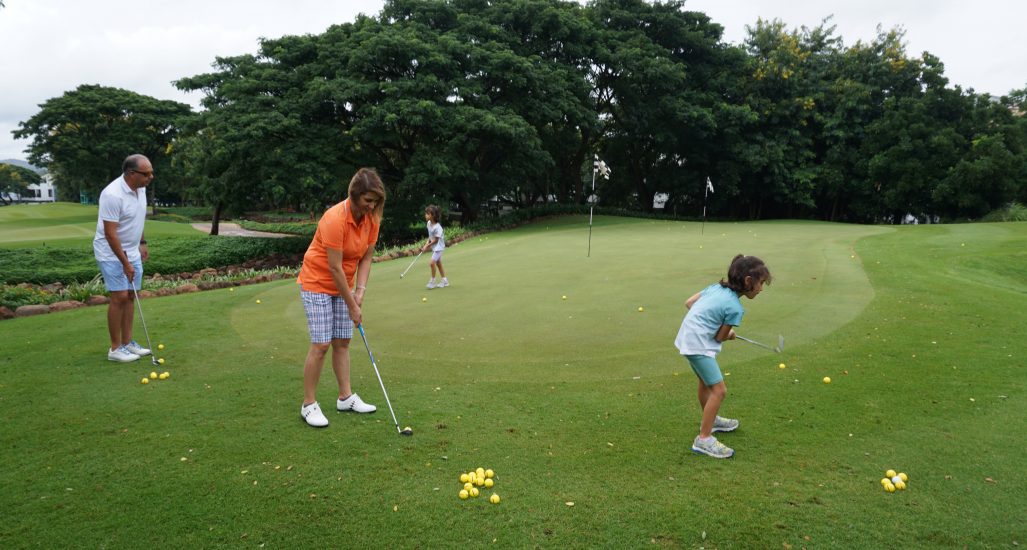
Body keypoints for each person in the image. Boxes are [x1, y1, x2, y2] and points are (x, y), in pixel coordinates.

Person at [296, 168, 386, 428]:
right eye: (368, 200)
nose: (371, 206)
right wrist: (352, 305)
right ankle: (308, 404)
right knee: (322, 344)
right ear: (355, 195)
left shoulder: (371, 220)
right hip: (317, 282)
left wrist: (360, 293)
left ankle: (345, 397)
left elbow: (366, 258)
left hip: (344, 285)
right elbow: (334, 267)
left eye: (375, 201)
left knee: (343, 341)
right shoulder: (334, 218)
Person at [674, 254, 772, 458]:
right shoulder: (735, 308)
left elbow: (689, 303)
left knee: (705, 383)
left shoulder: (716, 287)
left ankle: (712, 420)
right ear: (748, 281)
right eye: (761, 283)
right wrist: (729, 334)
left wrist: (707, 321)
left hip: (687, 338)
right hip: (698, 345)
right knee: (719, 391)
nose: (761, 288)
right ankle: (704, 439)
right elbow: (720, 337)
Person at [94, 154, 155, 362]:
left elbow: (138, 218)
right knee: (119, 297)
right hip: (111, 252)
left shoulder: (141, 189)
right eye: (146, 173)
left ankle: (128, 343)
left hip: (132, 250)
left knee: (130, 295)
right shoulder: (112, 195)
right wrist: (125, 263)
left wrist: (142, 242)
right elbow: (110, 234)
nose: (151, 177)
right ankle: (115, 348)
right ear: (131, 173)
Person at [422, 204, 448, 289]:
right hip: (434, 246)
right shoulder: (429, 224)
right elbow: (430, 237)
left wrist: (427, 246)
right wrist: (426, 244)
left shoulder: (438, 227)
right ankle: (445, 281)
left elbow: (436, 240)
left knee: (432, 263)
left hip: (439, 247)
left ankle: (432, 281)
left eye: (427, 214)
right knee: (439, 264)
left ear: (432, 215)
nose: (425, 215)